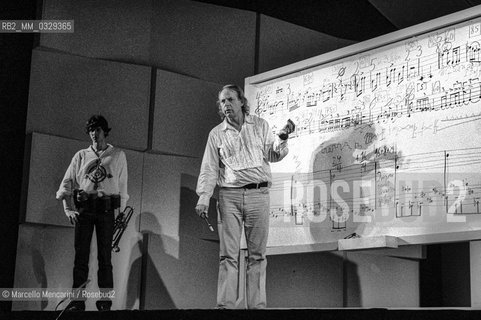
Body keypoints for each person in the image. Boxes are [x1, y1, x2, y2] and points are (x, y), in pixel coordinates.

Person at [195, 84, 293, 309]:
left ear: (241, 101)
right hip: (229, 196)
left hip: (258, 193)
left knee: (257, 255)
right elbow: (209, 168)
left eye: (230, 99)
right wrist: (203, 197)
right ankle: (225, 306)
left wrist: (283, 138)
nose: (226, 105)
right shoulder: (216, 134)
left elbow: (273, 154)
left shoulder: (259, 125)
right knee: (228, 255)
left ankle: (256, 307)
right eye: (222, 102)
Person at [56, 115, 129, 311]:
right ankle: (77, 302)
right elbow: (67, 182)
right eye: (91, 130)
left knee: (105, 258)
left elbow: (123, 187)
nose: (93, 134)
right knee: (81, 257)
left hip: (106, 210)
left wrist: (121, 213)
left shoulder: (117, 155)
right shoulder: (81, 155)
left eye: (97, 130)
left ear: (104, 131)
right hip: (85, 209)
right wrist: (68, 208)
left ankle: (105, 302)